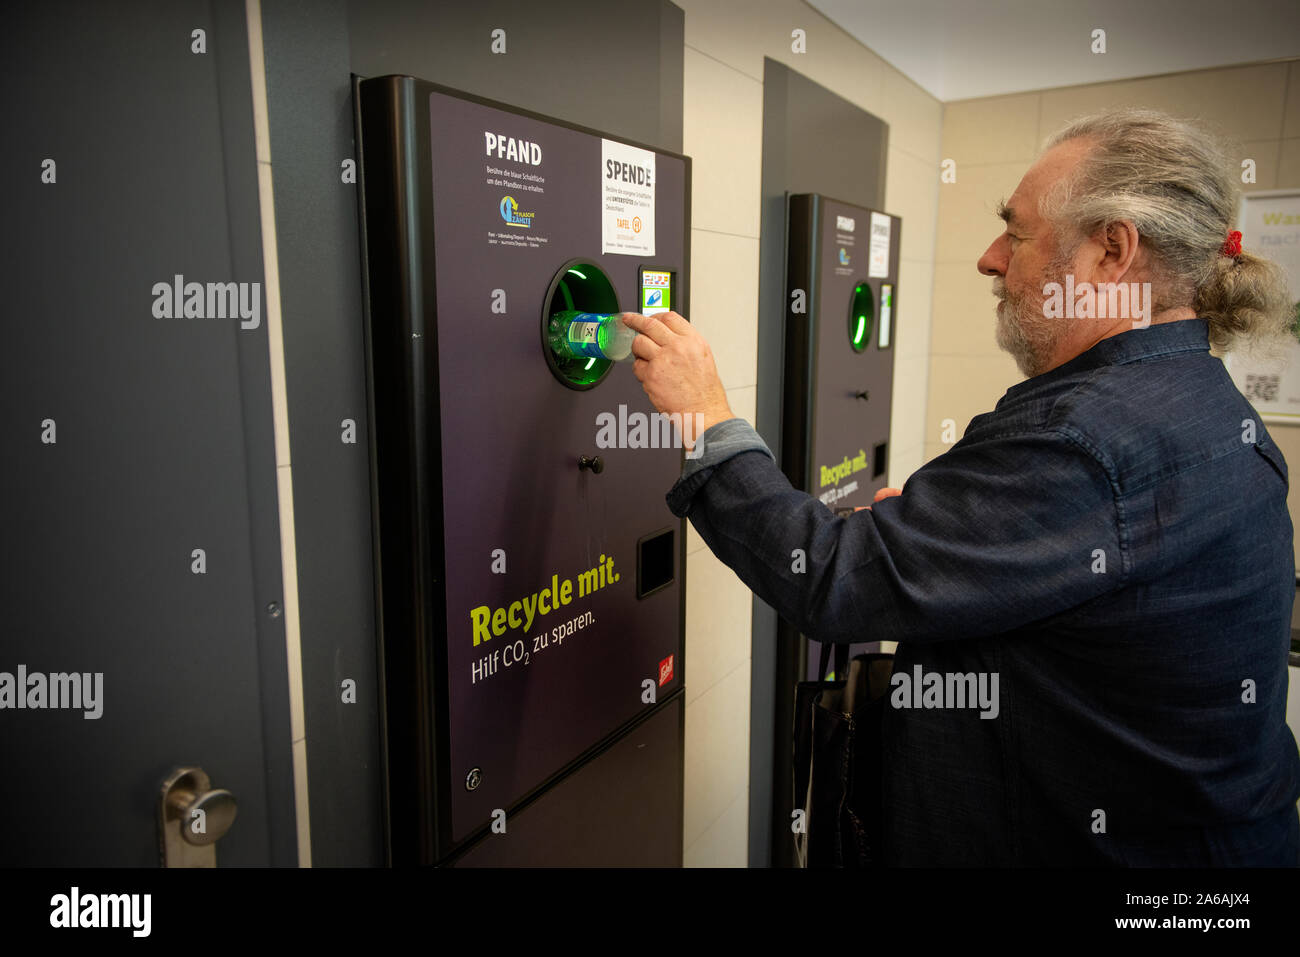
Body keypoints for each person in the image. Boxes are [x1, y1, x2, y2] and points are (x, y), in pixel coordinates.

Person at [622, 107, 1300, 866]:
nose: (989, 258)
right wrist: (942, 546)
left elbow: (832, 578)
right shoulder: (1205, 402)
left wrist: (706, 416)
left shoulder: (1091, 439)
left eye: (1016, 231)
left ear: (1113, 250)